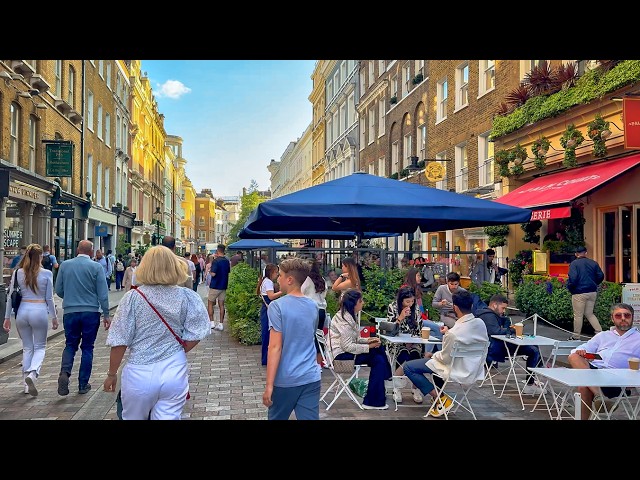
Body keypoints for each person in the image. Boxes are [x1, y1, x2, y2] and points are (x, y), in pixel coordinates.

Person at [102, 245, 210, 420]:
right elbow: (197, 332)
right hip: (174, 369)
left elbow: (119, 340)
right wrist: (177, 350)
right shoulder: (186, 296)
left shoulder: (133, 298)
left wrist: (112, 374)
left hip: (139, 370)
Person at [403, 290, 489, 417]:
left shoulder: (454, 334)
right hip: (474, 369)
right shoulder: (480, 324)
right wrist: (448, 333)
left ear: (455, 307)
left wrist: (432, 355)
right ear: (471, 306)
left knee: (409, 367)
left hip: (454, 369)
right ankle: (439, 399)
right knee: (435, 365)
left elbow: (444, 359)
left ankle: (440, 398)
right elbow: (465, 337)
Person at [262, 258, 322, 420]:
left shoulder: (277, 306)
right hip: (311, 376)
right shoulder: (313, 306)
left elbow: (274, 347)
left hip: (286, 378)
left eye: (280, 275)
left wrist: (269, 385)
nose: (277, 278)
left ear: (289, 279)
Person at [54, 240, 110, 396]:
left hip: (70, 312)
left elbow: (58, 290)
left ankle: (65, 373)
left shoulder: (65, 265)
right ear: (91, 252)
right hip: (91, 312)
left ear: (77, 249)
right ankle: (83, 384)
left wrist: (70, 297)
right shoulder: (96, 267)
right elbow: (103, 295)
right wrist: (106, 314)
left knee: (70, 344)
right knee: (87, 347)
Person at [3, 243, 59, 396]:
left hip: (22, 312)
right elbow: (49, 298)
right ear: (41, 257)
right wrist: (54, 317)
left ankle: (25, 385)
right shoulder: (47, 273)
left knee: (27, 348)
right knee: (40, 347)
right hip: (39, 310)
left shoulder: (18, 273)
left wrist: (7, 317)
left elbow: (10, 297)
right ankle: (33, 374)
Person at [567, 303, 640, 420]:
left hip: (616, 379)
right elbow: (579, 349)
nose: (623, 318)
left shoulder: (638, 339)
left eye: (627, 315)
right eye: (618, 316)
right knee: (573, 356)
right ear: (612, 318)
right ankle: (598, 395)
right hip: (595, 371)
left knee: (583, 386)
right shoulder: (603, 336)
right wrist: (581, 352)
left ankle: (597, 395)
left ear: (632, 317)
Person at [329, 288, 393, 410]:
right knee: (378, 358)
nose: (363, 303)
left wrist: (369, 340)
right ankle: (376, 395)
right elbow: (347, 346)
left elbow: (354, 340)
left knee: (379, 349)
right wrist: (368, 346)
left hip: (344, 352)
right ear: (354, 303)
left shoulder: (346, 315)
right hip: (341, 358)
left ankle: (376, 396)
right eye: (361, 300)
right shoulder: (345, 320)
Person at [476, 294, 544, 395]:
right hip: (496, 348)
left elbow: (501, 327)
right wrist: (512, 329)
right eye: (503, 308)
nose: (504, 311)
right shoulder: (489, 316)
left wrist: (507, 325)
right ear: (494, 305)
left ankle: (533, 378)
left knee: (534, 347)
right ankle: (530, 383)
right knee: (533, 350)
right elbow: (496, 331)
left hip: (496, 345)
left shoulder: (487, 314)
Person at [566, 245, 605, 339]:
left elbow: (573, 278)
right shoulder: (593, 263)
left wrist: (571, 288)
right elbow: (601, 276)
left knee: (578, 315)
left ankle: (576, 336)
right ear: (586, 253)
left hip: (579, 292)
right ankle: (599, 333)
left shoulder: (574, 264)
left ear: (576, 254)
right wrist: (594, 283)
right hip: (592, 291)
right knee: (589, 313)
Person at [301, 259, 328, 366]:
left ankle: (309, 362)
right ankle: (319, 362)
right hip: (322, 310)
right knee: (319, 336)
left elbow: (301, 292)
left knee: (308, 336)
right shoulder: (322, 279)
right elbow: (325, 294)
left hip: (310, 310)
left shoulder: (307, 280)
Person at [258, 263, 284, 366]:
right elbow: (271, 296)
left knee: (266, 334)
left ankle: (266, 358)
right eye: (276, 273)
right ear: (272, 272)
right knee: (268, 334)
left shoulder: (264, 281)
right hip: (268, 310)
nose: (277, 275)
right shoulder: (268, 282)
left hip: (266, 309)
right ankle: (267, 358)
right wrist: (282, 291)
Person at [208, 244, 231, 331]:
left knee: (210, 303)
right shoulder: (226, 261)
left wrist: (209, 271)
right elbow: (228, 271)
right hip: (223, 285)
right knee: (221, 305)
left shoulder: (216, 261)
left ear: (217, 250)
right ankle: (221, 324)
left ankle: (212, 323)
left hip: (215, 285)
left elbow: (213, 274)